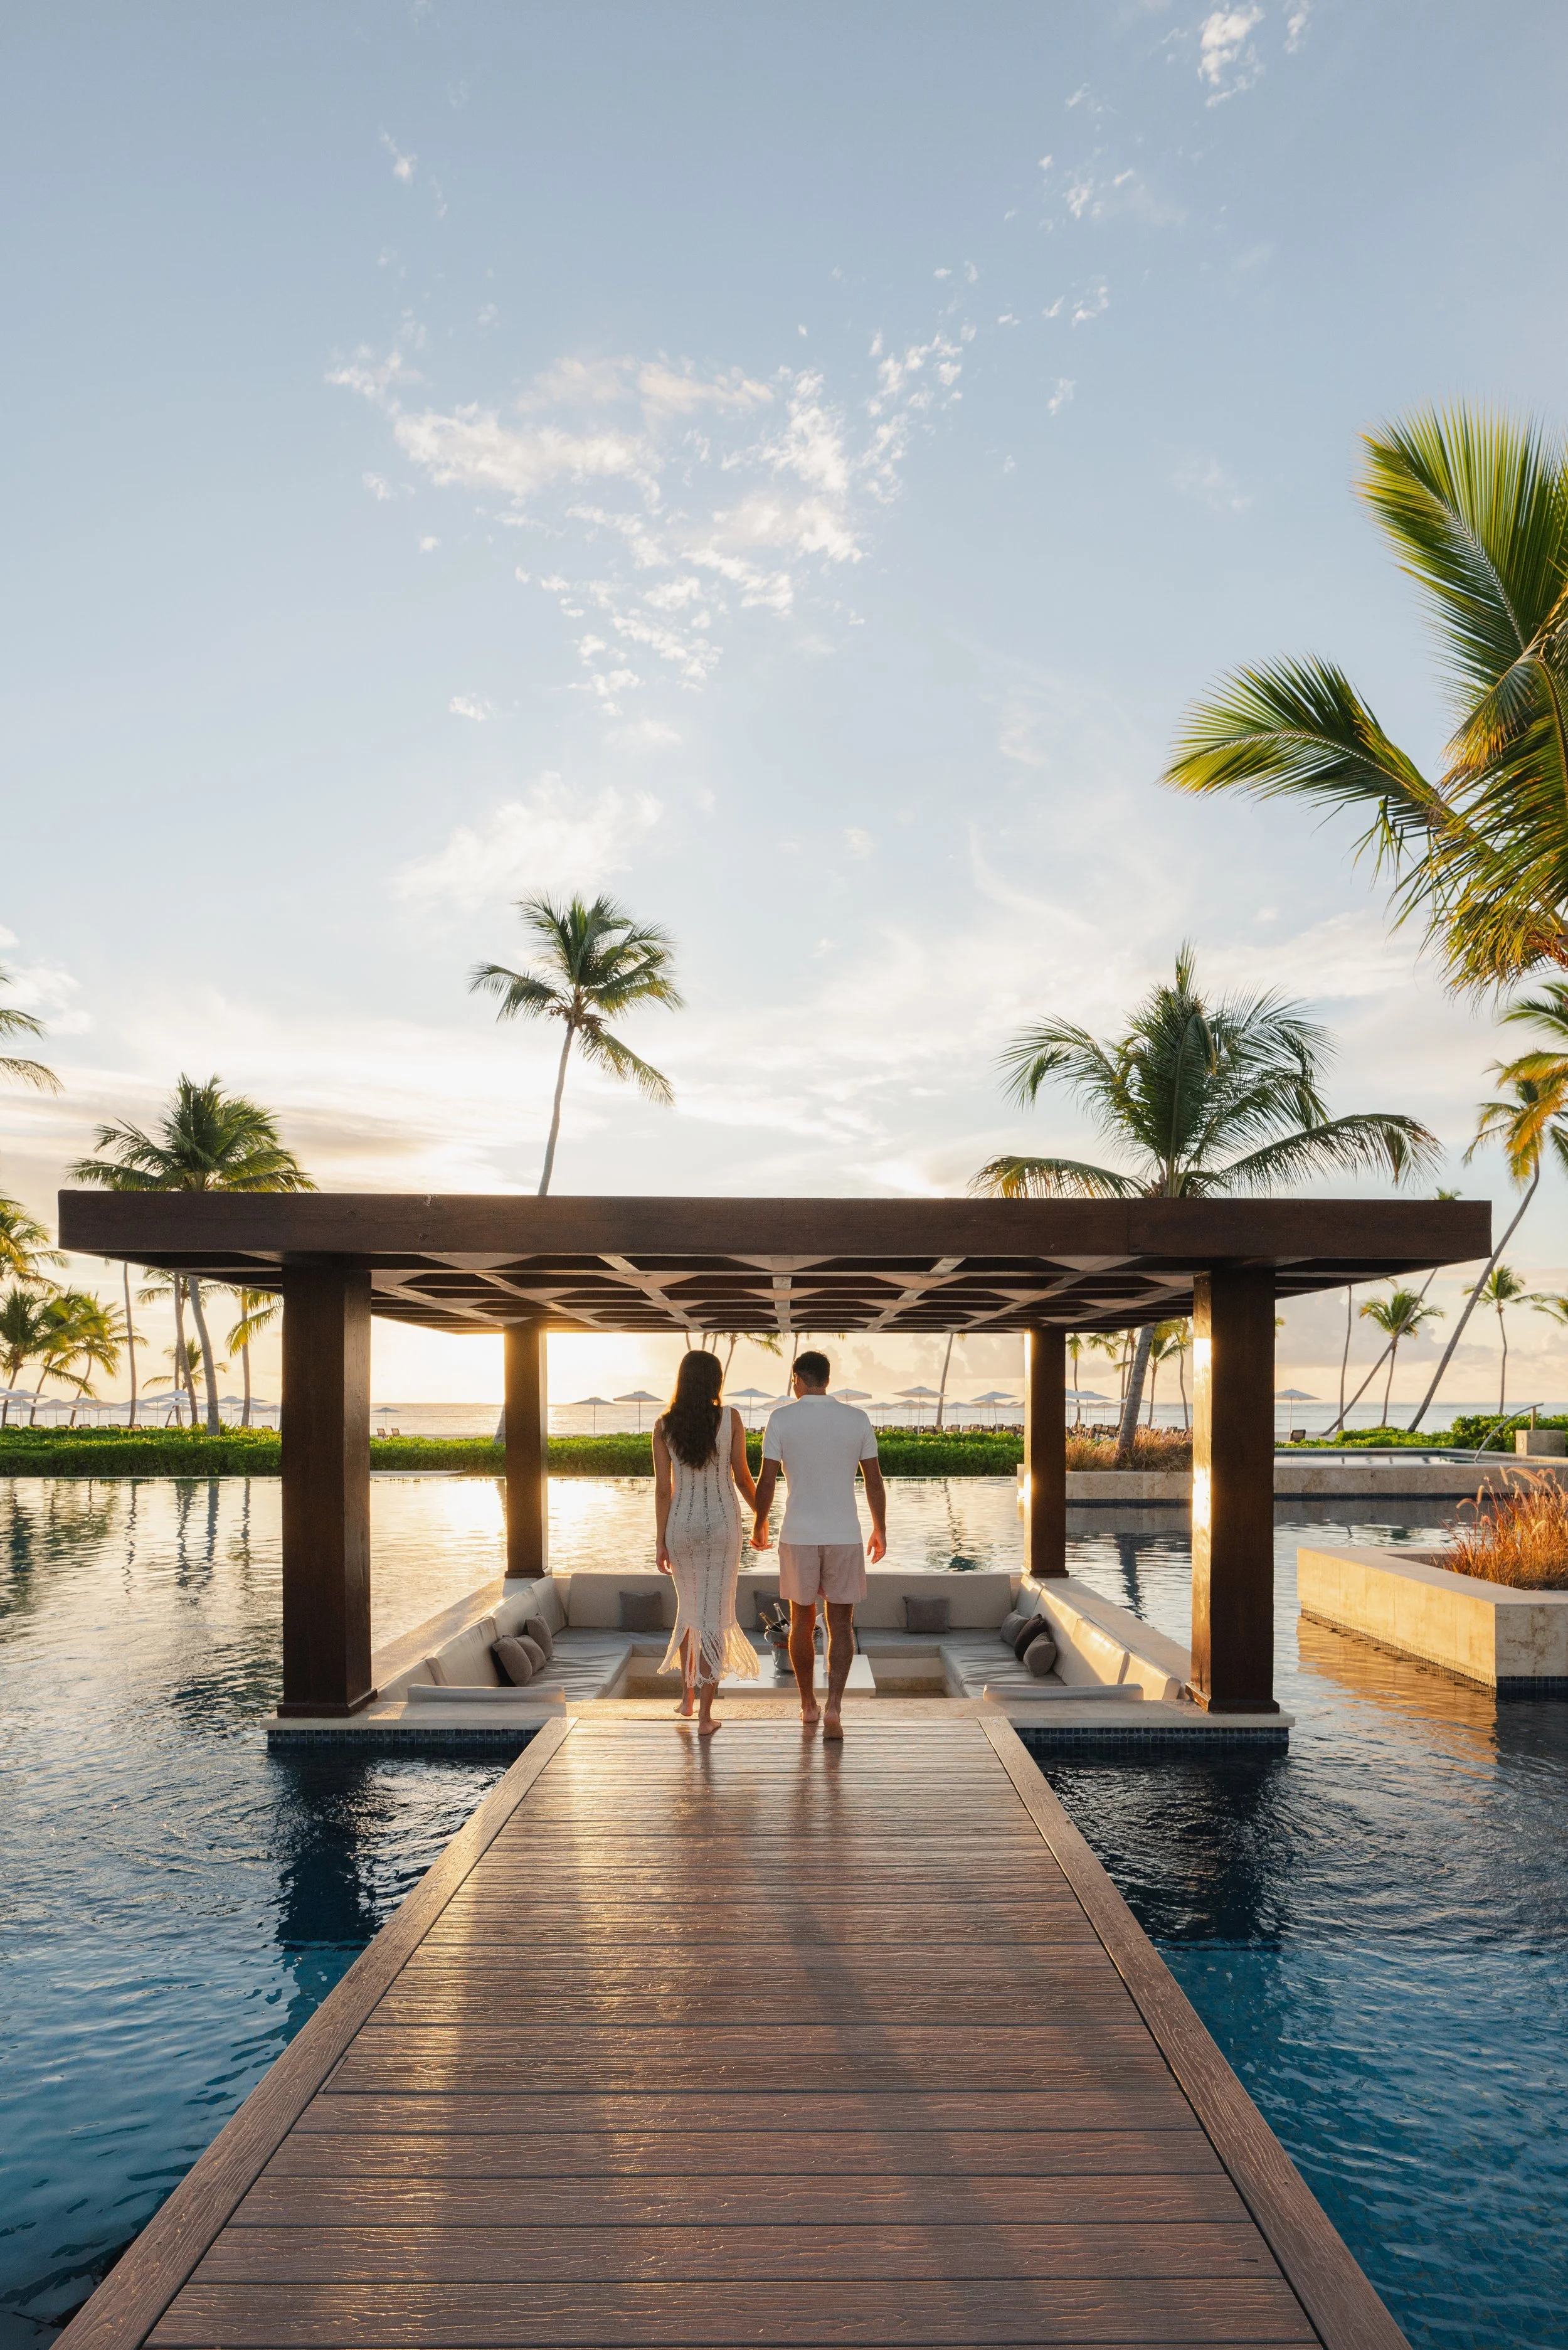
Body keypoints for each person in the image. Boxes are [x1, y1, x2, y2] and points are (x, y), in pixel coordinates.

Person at [750, 1351, 886, 1740]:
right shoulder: (856, 1418)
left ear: (797, 1378)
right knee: (841, 1624)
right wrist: (881, 1528)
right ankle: (834, 1710)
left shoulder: (781, 1418)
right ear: (826, 1379)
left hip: (798, 1535)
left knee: (803, 1622)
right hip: (845, 1534)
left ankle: (808, 1705)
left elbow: (767, 1481)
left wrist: (760, 1524)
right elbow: (874, 1480)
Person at [652, 1349, 760, 1736]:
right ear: (715, 1381)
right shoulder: (729, 1418)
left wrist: (660, 1540)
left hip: (680, 1527)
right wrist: (762, 1517)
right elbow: (744, 1478)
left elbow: (664, 1491)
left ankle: (686, 1699)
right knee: (713, 1617)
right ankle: (705, 1717)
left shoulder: (664, 1425)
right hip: (723, 1529)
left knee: (689, 1611)